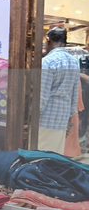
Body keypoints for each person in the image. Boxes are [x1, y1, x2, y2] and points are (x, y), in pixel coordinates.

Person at [39, 26, 80, 154]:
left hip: (46, 116)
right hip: (63, 115)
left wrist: (33, 116)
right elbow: (74, 94)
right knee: (56, 155)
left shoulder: (47, 61)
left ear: (48, 39)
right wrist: (70, 117)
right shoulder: (74, 62)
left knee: (40, 154)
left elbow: (42, 95)